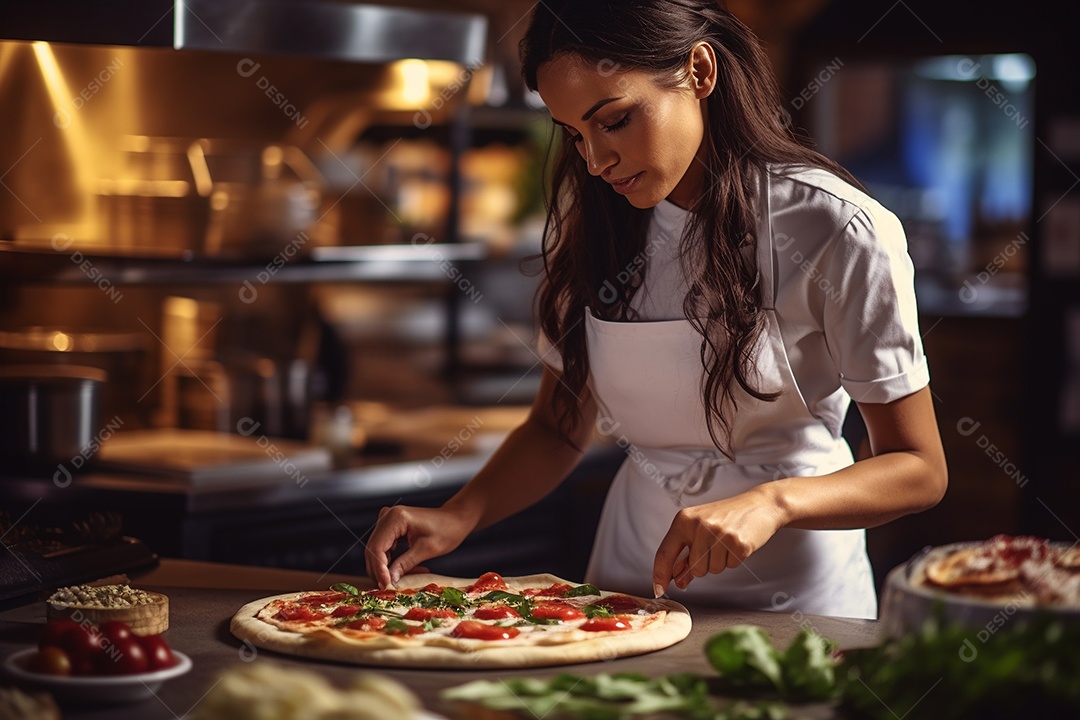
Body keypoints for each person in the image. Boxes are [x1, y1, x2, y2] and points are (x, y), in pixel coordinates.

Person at [365, 0, 947, 619]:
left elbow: (918, 468)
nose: (596, 161)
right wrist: (458, 515)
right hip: (627, 592)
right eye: (575, 134)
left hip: (796, 604)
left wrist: (773, 503)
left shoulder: (836, 228)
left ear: (699, 71)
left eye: (614, 121)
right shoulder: (592, 229)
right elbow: (557, 429)